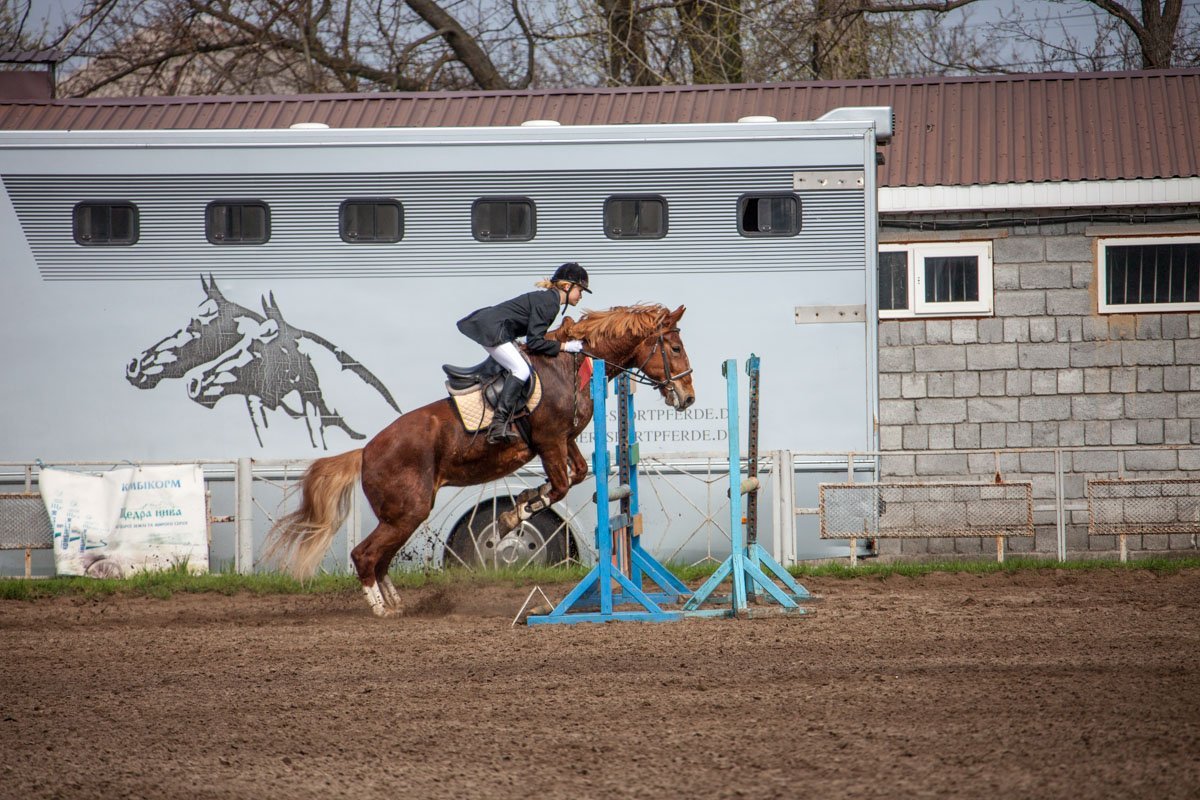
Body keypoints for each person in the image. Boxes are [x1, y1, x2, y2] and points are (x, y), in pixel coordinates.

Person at [456, 262, 590, 443]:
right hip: (494, 330)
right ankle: (498, 423)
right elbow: (534, 342)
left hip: (496, 328)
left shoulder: (549, 300)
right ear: (567, 286)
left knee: (521, 365)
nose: (580, 296)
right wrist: (565, 347)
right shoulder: (550, 304)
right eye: (580, 290)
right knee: (521, 370)